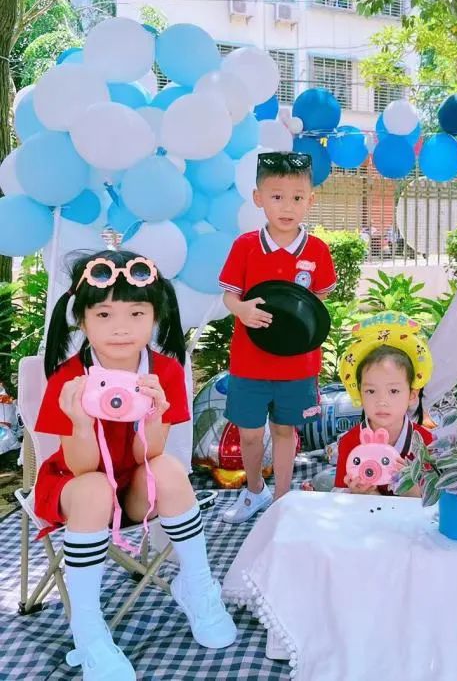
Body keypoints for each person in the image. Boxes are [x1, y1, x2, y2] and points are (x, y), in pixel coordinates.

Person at [35, 250, 236, 681]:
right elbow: (81, 467)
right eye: (103, 314)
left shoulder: (165, 372)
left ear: (155, 317)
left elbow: (153, 453)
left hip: (134, 484)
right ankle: (87, 625)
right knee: (95, 488)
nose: (121, 327)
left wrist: (156, 413)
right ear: (82, 320)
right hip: (78, 487)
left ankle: (197, 585)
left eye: (136, 313)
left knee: (170, 469)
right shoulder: (70, 378)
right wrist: (81, 422)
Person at [219, 151, 336, 523]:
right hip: (249, 362)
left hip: (297, 365)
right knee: (250, 434)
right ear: (259, 198)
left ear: (310, 200)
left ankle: (283, 499)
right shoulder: (245, 246)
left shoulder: (317, 250)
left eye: (297, 197)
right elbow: (229, 296)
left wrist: (300, 325)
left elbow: (317, 304)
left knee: (285, 429)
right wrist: (242, 310)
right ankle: (255, 492)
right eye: (277, 196)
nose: (287, 206)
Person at [334, 317, 434, 495]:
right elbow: (340, 494)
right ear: (360, 394)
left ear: (412, 395)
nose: (381, 401)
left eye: (393, 391)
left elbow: (434, 501)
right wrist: (358, 493)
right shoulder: (350, 441)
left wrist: (411, 489)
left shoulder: (426, 442)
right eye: (371, 391)